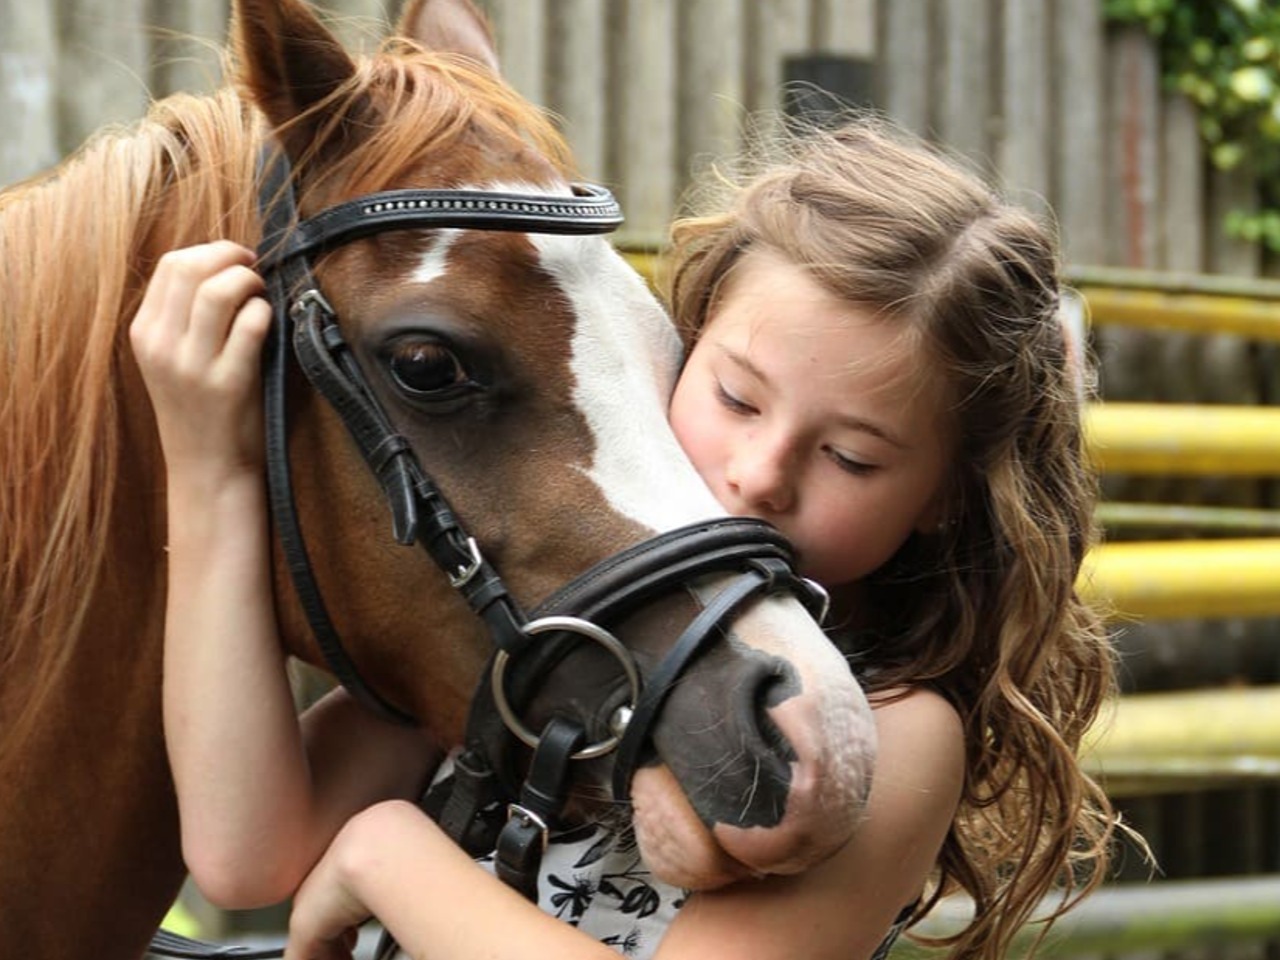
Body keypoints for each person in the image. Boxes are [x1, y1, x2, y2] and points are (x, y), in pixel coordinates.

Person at [130, 116, 1129, 960]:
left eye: (852, 458)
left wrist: (382, 855)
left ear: (945, 497)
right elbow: (244, 849)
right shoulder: (551, 631)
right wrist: (210, 474)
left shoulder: (900, 726)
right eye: (735, 396)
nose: (758, 473)